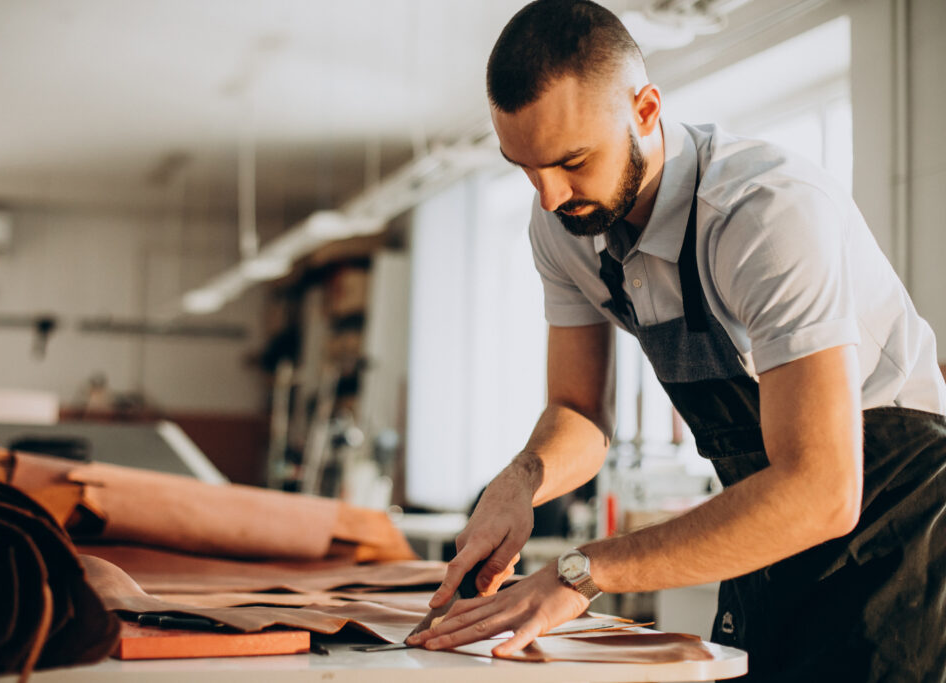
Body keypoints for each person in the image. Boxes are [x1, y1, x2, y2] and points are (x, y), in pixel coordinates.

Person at [405, 1, 946, 680]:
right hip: (763, 523)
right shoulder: (564, 228)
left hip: (896, 525)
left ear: (647, 109)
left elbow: (820, 488)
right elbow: (578, 411)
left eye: (571, 161)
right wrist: (520, 481)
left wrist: (581, 570)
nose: (547, 197)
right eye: (525, 166)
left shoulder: (763, 213)